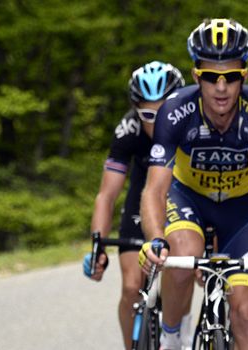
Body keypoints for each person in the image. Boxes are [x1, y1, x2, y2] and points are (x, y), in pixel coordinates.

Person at [138, 18, 248, 350]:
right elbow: (154, 189)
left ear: (245, 75)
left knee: (245, 314)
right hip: (189, 199)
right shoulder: (175, 111)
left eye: (231, 76)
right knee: (184, 256)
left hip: (243, 210)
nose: (221, 87)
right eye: (211, 77)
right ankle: (172, 335)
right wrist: (155, 239)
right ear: (196, 76)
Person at [82, 61, 185, 349]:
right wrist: (97, 245)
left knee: (179, 277)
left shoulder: (195, 123)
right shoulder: (128, 129)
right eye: (148, 114)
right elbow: (107, 195)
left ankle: (179, 328)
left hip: (185, 200)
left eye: (164, 111)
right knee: (130, 287)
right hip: (142, 200)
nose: (157, 122)